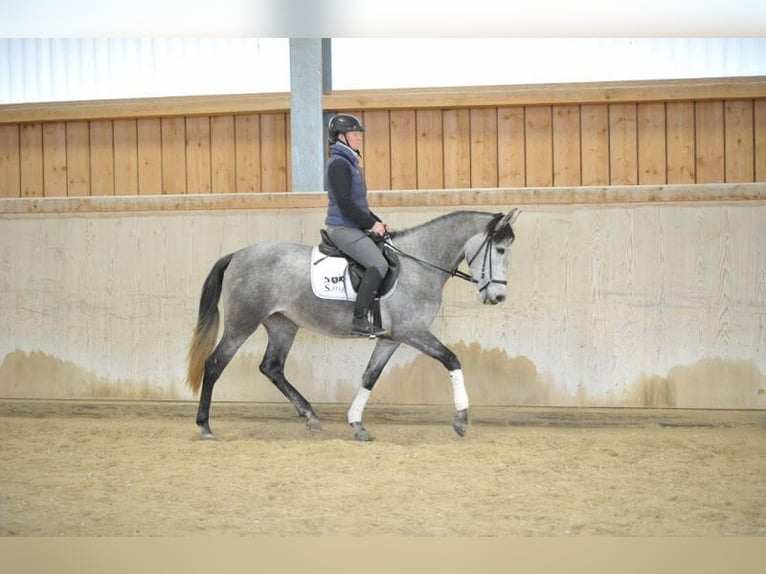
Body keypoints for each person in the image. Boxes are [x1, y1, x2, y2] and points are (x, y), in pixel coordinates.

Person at [324, 113, 390, 337]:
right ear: (341, 137)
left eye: (358, 134)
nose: (358, 137)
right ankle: (359, 319)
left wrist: (376, 222)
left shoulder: (351, 163)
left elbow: (358, 204)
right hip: (342, 228)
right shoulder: (339, 164)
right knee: (379, 264)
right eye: (354, 134)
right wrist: (371, 223)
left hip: (354, 225)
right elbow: (345, 203)